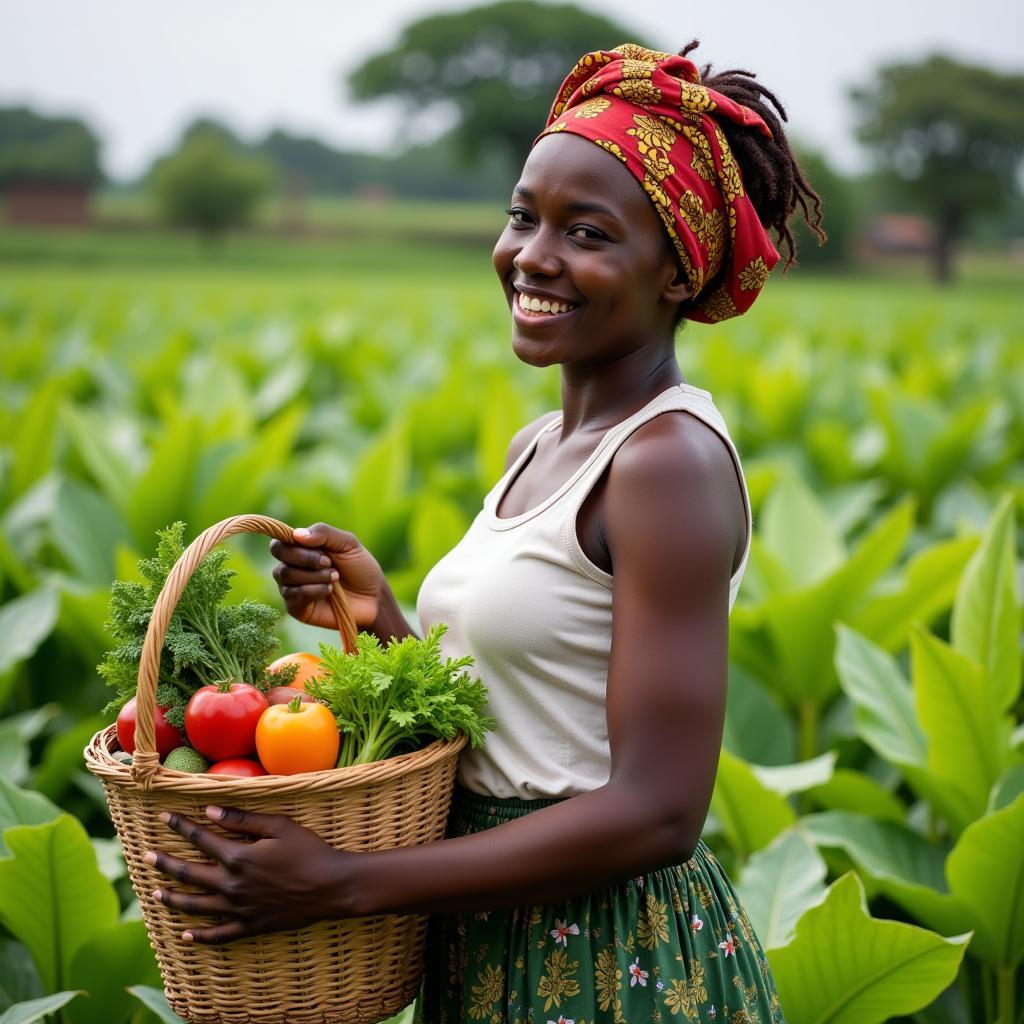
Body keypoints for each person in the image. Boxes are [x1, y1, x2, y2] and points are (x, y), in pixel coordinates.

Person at [144, 40, 824, 1024]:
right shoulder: (541, 443)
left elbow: (658, 810)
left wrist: (343, 881)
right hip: (489, 933)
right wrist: (377, 616)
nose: (532, 256)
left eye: (586, 232)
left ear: (676, 273)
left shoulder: (663, 464)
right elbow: (519, 729)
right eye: (523, 216)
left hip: (609, 961)